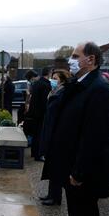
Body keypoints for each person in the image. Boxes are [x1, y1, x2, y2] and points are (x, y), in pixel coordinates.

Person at [49, 42, 109, 216]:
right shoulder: (80, 85)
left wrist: (79, 173)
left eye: (75, 55)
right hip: (72, 168)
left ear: (91, 60)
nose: (70, 59)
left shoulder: (99, 90)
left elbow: (95, 139)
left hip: (83, 174)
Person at [39, 69, 72, 206]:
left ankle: (55, 196)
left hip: (56, 133)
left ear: (62, 80)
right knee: (51, 165)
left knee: (56, 167)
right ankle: (51, 194)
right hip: (49, 130)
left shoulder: (63, 93)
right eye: (52, 77)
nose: (52, 80)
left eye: (55, 78)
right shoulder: (54, 92)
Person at [26, 67, 52, 161]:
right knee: (40, 134)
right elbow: (45, 102)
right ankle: (38, 155)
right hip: (41, 114)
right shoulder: (45, 85)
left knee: (35, 134)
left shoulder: (36, 83)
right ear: (49, 73)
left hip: (34, 113)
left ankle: (34, 152)